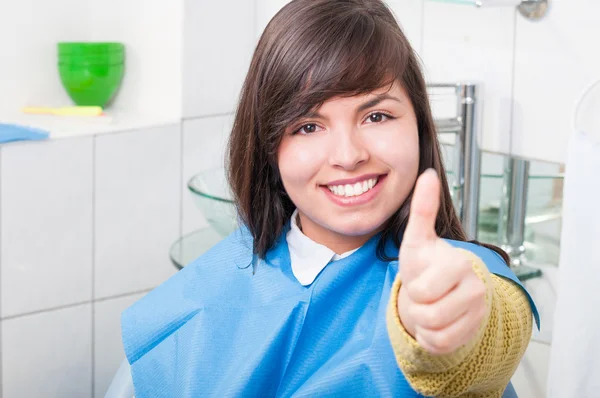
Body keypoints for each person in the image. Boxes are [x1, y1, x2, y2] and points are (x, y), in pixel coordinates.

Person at [121, 0, 539, 396]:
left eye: (376, 116)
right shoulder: (215, 279)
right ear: (269, 145)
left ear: (419, 127)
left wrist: (438, 332)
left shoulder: (468, 278)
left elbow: (488, 332)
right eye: (308, 125)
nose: (348, 155)